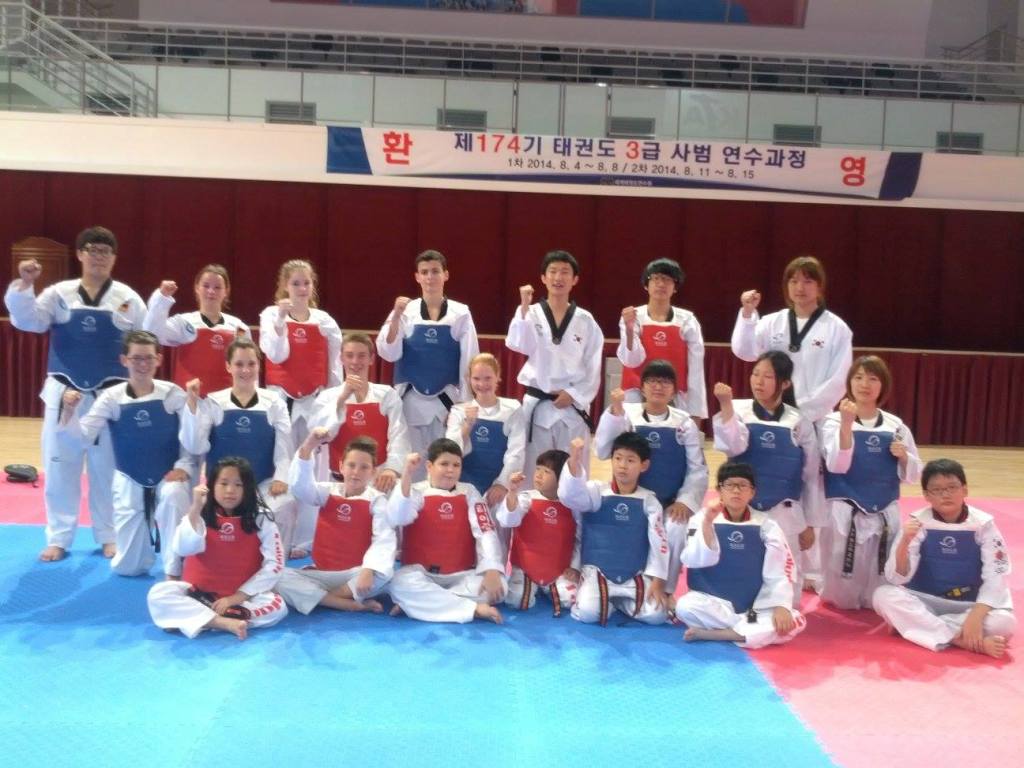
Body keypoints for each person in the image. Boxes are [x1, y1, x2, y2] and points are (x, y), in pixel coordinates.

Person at [4, 226, 145, 562]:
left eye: (105, 251)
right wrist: (24, 286)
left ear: (114, 258)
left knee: (107, 470)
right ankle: (59, 537)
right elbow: (28, 321)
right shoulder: (59, 293)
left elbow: (146, 339)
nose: (99, 257)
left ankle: (109, 535)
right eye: (92, 250)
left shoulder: (127, 297)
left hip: (109, 396)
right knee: (60, 467)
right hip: (64, 393)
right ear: (80, 254)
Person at [731, 255, 853, 591]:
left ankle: (813, 568)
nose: (800, 287)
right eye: (794, 280)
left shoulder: (836, 329)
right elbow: (744, 351)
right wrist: (747, 314)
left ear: (820, 287)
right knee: (773, 479)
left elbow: (839, 379)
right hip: (773, 417)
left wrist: (804, 411)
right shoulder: (771, 322)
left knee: (812, 482)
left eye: (808, 281)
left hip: (812, 418)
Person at [60, 331, 195, 577]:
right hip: (130, 478)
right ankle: (137, 555)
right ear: (124, 360)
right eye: (136, 358)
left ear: (159, 359)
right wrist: (69, 412)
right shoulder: (111, 398)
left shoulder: (173, 394)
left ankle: (175, 569)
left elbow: (189, 437)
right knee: (129, 568)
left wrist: (183, 466)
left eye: (148, 358)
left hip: (168, 477)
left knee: (175, 496)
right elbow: (83, 438)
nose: (143, 364)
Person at [873, 459, 1014, 659]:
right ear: (926, 495)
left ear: (965, 490)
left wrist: (976, 616)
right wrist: (904, 542)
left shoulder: (984, 525)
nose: (945, 494)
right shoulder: (917, 523)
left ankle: (915, 625)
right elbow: (897, 578)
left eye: (952, 487)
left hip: (969, 604)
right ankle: (960, 639)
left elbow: (995, 577)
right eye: (937, 490)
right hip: (925, 599)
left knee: (1004, 623)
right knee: (882, 596)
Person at [712, 351, 822, 604]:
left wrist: (810, 523)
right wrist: (726, 406)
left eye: (768, 376)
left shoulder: (799, 421)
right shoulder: (737, 410)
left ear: (785, 383)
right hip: (743, 509)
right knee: (741, 576)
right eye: (755, 374)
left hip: (785, 511)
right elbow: (732, 447)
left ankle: (780, 610)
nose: (758, 381)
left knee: (788, 590)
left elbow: (811, 475)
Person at [594, 360, 707, 596]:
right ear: (642, 388)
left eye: (665, 382)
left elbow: (697, 468)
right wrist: (615, 412)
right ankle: (622, 583)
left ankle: (665, 591)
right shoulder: (627, 414)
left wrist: (685, 501)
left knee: (676, 527)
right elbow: (603, 451)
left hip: (669, 501)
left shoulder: (684, 423)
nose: (658, 387)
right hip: (632, 497)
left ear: (674, 391)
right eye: (652, 381)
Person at [178, 338, 298, 556]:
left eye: (251, 364)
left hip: (261, 483)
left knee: (286, 504)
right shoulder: (214, 402)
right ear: (228, 366)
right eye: (239, 364)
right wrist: (192, 405)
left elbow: (284, 447)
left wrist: (281, 477)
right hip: (223, 486)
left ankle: (274, 562)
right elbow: (196, 446)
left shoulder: (274, 402)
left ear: (259, 365)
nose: (246, 370)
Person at [821, 355, 922, 609]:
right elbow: (836, 465)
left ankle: (875, 599)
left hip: (884, 507)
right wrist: (846, 426)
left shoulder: (895, 426)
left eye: (872, 378)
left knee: (879, 579)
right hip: (845, 507)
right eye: (858, 377)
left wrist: (904, 457)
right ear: (849, 383)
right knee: (842, 584)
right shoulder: (832, 421)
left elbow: (914, 474)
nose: (864, 384)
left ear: (883, 385)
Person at [147, 457, 287, 640]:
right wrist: (195, 508)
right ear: (211, 486)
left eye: (238, 485)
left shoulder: (261, 518)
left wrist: (236, 598)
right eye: (223, 483)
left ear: (248, 489)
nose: (230, 491)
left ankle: (195, 618)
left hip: (241, 597)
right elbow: (183, 549)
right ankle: (223, 622)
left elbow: (275, 564)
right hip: (199, 595)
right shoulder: (200, 514)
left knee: (277, 607)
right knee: (158, 594)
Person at [259, 259, 342, 556]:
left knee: (313, 471)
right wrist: (282, 320)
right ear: (285, 286)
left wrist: (334, 403)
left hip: (315, 401)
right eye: (295, 283)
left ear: (312, 285)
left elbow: (334, 365)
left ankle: (307, 538)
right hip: (282, 400)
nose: (301, 288)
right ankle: (280, 534)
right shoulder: (271, 315)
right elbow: (276, 354)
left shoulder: (324, 321)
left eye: (306, 283)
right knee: (282, 463)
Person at [677, 462, 806, 648]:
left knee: (795, 620)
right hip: (716, 603)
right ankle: (747, 632)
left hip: (754, 607)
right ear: (719, 490)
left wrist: (781, 605)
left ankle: (719, 633)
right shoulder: (701, 518)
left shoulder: (766, 524)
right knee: (685, 607)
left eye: (743, 485)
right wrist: (707, 523)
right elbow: (693, 559)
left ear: (752, 492)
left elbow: (781, 567)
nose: (736, 491)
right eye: (730, 485)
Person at [376, 250, 479, 481]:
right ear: (417, 277)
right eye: (424, 272)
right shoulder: (405, 311)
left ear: (446, 275)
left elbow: (470, 359)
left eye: (435, 271)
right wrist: (396, 316)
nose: (430, 277)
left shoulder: (460, 312)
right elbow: (388, 353)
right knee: (409, 463)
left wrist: (464, 403)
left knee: (443, 463)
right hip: (410, 399)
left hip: (446, 399)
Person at [506, 250, 604, 481]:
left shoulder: (585, 320)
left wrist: (574, 394)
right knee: (534, 471)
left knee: (573, 469)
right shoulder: (530, 313)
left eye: (565, 272)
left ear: (575, 279)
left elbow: (593, 365)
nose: (558, 277)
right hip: (538, 404)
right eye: (553, 271)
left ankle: (572, 505)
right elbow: (518, 344)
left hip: (571, 405)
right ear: (543, 277)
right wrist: (523, 308)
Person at [386, 439, 506, 624]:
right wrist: (407, 474)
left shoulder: (469, 492)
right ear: (429, 466)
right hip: (421, 573)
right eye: (444, 464)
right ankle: (472, 609)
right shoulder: (416, 491)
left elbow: (485, 530)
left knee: (500, 586)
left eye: (456, 465)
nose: (450, 470)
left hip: (460, 575)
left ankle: (420, 603)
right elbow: (398, 517)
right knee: (399, 583)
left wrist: (491, 568)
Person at [277, 430, 396, 615]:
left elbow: (384, 539)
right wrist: (308, 447)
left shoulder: (377, 501)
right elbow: (300, 487)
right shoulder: (327, 492)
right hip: (322, 573)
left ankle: (323, 598)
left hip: (355, 575)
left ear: (373, 472)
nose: (356, 472)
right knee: (277, 576)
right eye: (351, 465)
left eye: (364, 467)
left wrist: (369, 569)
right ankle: (343, 603)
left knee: (383, 573)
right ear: (341, 466)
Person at [558, 434, 670, 626]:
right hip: (597, 572)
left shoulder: (649, 501)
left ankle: (617, 604)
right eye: (618, 458)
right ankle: (605, 603)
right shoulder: (596, 491)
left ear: (644, 465)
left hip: (634, 573)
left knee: (657, 614)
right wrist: (574, 462)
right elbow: (570, 497)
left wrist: (658, 581)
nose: (622, 465)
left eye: (630, 460)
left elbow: (659, 542)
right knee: (587, 613)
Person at [310, 332, 410, 497]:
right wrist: (342, 398)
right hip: (338, 482)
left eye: (362, 356)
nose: (355, 361)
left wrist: (392, 469)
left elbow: (399, 434)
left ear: (371, 359)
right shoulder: (327, 397)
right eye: (349, 355)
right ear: (341, 358)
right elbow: (320, 435)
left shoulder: (386, 395)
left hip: (378, 485)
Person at [617, 258, 707, 421]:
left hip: (674, 395)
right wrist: (629, 330)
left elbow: (696, 370)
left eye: (667, 279)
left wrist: (696, 411)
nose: (661, 284)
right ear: (646, 284)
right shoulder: (633, 316)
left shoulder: (687, 320)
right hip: (635, 394)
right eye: (655, 278)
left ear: (675, 287)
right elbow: (631, 360)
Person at [143, 264, 250, 397]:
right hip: (189, 402)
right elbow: (151, 334)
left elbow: (249, 369)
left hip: (225, 403)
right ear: (197, 288)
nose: (211, 291)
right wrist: (161, 298)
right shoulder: (183, 323)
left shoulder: (238, 328)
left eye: (217, 287)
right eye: (206, 286)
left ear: (226, 291)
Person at [496, 450, 582, 616]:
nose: (539, 475)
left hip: (559, 569)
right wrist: (512, 492)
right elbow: (508, 520)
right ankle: (532, 585)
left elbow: (578, 538)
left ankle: (549, 587)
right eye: (538, 469)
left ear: (561, 478)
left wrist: (574, 567)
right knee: (517, 600)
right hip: (525, 568)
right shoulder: (526, 498)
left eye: (547, 472)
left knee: (571, 599)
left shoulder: (572, 506)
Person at [445, 352, 526, 507]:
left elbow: (516, 452)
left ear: (498, 376)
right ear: (469, 379)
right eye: (476, 378)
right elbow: (449, 451)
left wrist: (502, 484)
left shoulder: (512, 409)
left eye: (487, 378)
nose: (482, 384)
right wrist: (467, 425)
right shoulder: (459, 411)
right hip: (463, 487)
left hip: (498, 491)